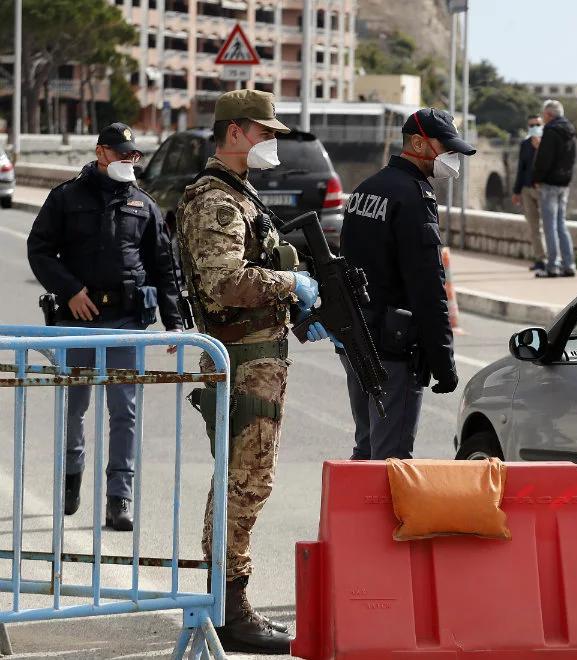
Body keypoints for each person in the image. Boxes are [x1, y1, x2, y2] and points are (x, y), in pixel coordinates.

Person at [175, 89, 330, 654]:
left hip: (256, 357)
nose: (271, 144)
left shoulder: (240, 195)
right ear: (235, 132)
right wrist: (291, 284)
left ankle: (225, 600)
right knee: (245, 483)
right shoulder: (216, 200)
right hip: (240, 363)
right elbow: (222, 283)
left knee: (246, 481)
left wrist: (295, 308)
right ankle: (230, 606)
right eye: (265, 134)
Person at [26, 122, 183, 533]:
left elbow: (164, 267)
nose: (129, 162)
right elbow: (39, 249)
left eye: (134, 156)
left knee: (124, 412)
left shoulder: (143, 206)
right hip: (76, 321)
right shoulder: (65, 198)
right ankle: (71, 476)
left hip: (126, 323)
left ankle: (119, 498)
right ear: (101, 153)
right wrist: (71, 290)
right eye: (121, 154)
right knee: (74, 406)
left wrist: (174, 324)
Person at [338, 108, 471, 460]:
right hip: (393, 351)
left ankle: (353, 516)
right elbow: (427, 287)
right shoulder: (413, 198)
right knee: (390, 460)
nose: (452, 159)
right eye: (448, 149)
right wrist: (443, 360)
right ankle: (376, 518)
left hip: (357, 339)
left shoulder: (366, 190)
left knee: (366, 449)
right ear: (418, 143)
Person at [530, 99, 577, 278]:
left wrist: (537, 178)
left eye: (544, 115)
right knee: (561, 224)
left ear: (549, 115)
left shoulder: (550, 130)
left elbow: (545, 159)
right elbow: (570, 158)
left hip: (549, 183)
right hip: (564, 183)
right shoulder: (570, 131)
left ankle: (552, 266)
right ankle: (569, 264)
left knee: (549, 225)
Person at [512, 115, 546, 274]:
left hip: (543, 189)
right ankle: (540, 259)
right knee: (533, 226)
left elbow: (547, 165)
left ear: (542, 124)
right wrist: (516, 191)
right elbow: (521, 168)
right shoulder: (525, 144)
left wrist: (540, 148)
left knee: (548, 225)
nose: (534, 127)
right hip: (526, 189)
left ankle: (553, 260)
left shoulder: (547, 143)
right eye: (531, 125)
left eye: (537, 124)